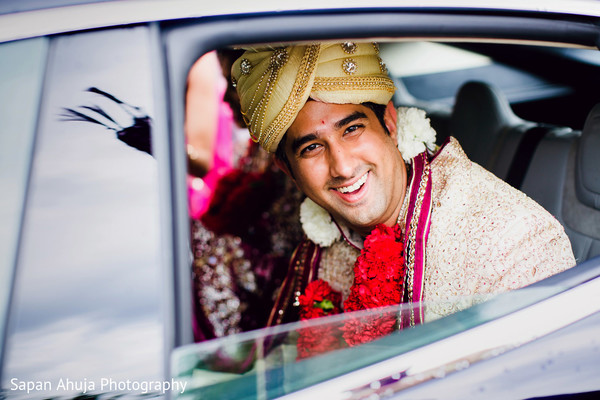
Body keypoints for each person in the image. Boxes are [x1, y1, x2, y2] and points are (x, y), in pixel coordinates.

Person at [230, 41, 576, 332]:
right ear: (287, 170)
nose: (343, 166)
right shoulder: (322, 239)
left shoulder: (509, 241)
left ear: (390, 123)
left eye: (352, 129)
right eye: (312, 148)